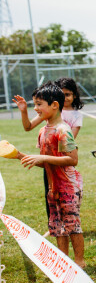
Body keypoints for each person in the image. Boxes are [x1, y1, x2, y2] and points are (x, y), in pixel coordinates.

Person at [10, 82, 86, 269]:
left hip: (68, 186)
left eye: (39, 104)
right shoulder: (42, 131)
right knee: (58, 227)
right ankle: (64, 262)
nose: (35, 108)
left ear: (54, 105)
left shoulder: (63, 130)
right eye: (34, 104)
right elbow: (46, 163)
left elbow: (73, 159)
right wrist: (19, 155)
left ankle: (79, 262)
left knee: (72, 225)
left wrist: (43, 157)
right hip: (53, 188)